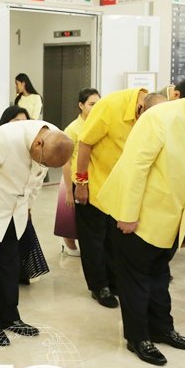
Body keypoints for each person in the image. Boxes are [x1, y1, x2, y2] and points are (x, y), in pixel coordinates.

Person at [98, 84, 185, 366]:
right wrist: (127, 214)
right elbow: (135, 168)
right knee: (135, 280)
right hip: (138, 217)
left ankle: (162, 328)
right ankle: (138, 337)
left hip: (172, 219)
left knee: (159, 275)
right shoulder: (159, 118)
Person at [0, 120, 73, 346]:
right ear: (39, 144)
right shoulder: (4, 138)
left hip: (16, 214)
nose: (42, 165)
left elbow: (36, 183)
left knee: (11, 267)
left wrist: (28, 208)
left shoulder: (55, 138)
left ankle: (10, 317)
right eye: (43, 161)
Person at [73, 87, 150, 308]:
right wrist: (81, 183)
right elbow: (85, 143)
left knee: (113, 238)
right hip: (93, 183)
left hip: (119, 186)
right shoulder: (110, 107)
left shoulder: (151, 112)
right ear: (140, 108)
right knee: (93, 240)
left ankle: (113, 281)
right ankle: (99, 286)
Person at [0, 107, 49, 284]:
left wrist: (28, 207)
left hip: (20, 204)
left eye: (25, 123)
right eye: (16, 122)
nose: (21, 127)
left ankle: (21, 272)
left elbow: (35, 184)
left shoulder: (34, 150)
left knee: (22, 237)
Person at [55, 88, 101, 257]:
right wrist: (69, 190)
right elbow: (66, 162)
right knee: (70, 214)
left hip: (95, 178)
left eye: (98, 104)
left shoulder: (99, 123)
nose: (95, 108)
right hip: (75, 179)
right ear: (81, 105)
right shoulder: (72, 129)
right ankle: (69, 242)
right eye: (91, 104)